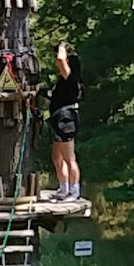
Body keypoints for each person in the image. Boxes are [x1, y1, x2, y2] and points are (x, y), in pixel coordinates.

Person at [47, 42, 84, 201]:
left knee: (69, 158)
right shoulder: (62, 82)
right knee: (57, 157)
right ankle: (64, 188)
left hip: (66, 121)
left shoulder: (72, 79)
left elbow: (61, 60)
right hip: (58, 120)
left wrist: (63, 46)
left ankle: (74, 191)